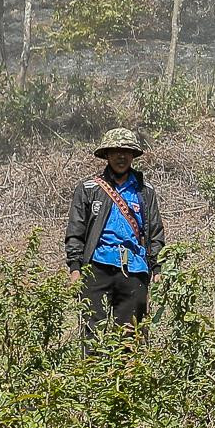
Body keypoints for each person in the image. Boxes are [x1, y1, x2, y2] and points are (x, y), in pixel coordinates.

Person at [63, 127, 166, 339]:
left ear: (133, 155)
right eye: (116, 151)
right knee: (92, 336)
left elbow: (155, 233)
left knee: (131, 337)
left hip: (135, 270)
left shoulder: (145, 191)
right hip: (96, 269)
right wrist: (75, 269)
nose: (121, 156)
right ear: (107, 154)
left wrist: (156, 268)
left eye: (127, 151)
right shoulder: (88, 188)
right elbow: (75, 231)